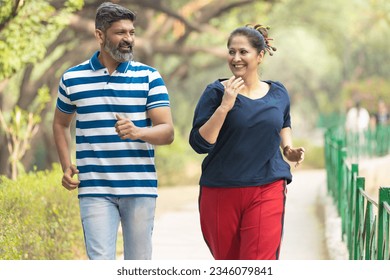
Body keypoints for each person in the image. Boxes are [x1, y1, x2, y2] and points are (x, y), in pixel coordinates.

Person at [52, 2, 174, 260]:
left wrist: (138, 132)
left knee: (138, 266)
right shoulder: (72, 79)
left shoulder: (149, 77)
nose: (128, 39)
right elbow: (61, 123)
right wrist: (66, 164)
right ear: (100, 35)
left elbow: (167, 132)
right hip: (94, 189)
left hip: (139, 188)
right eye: (120, 33)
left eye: (131, 32)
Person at [189, 24, 305, 260]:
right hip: (221, 189)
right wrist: (225, 106)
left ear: (260, 56)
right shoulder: (215, 93)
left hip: (267, 185)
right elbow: (200, 144)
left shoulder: (278, 92)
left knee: (258, 262)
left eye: (243, 52)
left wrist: (288, 149)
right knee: (229, 262)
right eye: (231, 52)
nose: (236, 58)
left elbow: (284, 121)